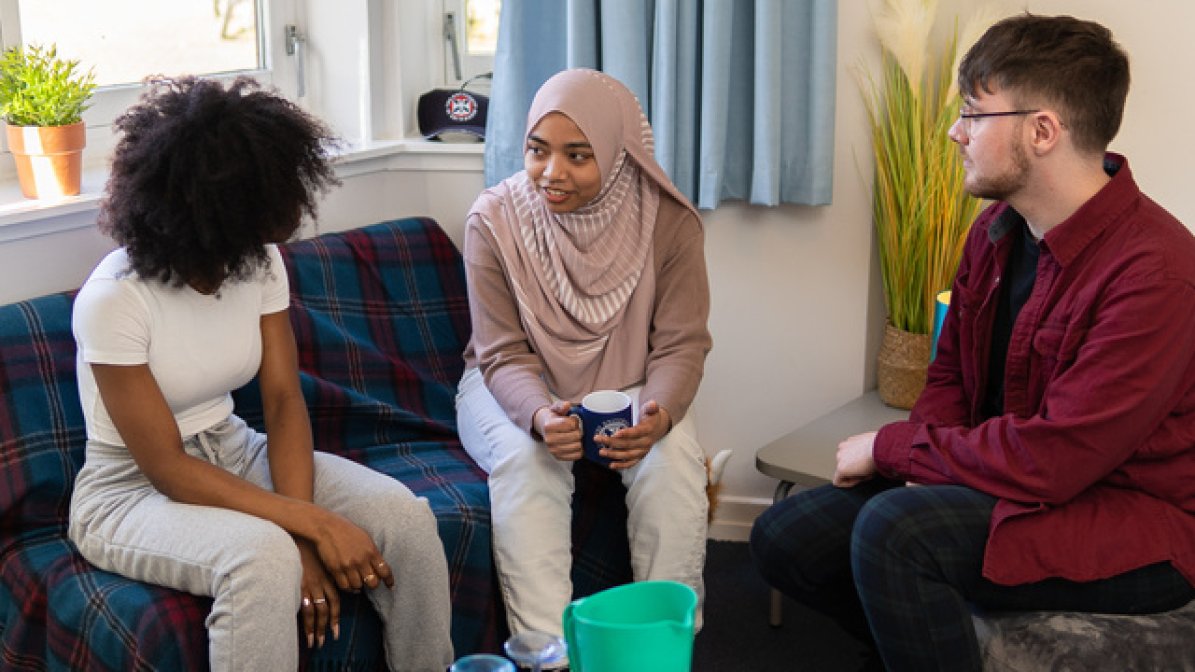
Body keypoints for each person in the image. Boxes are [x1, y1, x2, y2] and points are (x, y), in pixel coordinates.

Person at [751, 13, 1195, 671]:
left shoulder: (1157, 272)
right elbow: (950, 377)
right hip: (1005, 481)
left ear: (1041, 131)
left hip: (1129, 522)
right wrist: (914, 469)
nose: (954, 132)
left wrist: (892, 448)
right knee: (784, 536)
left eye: (972, 113)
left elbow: (1056, 459)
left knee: (893, 535)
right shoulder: (992, 232)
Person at [68, 77, 454, 672]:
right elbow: (167, 467)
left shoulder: (256, 260)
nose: (288, 217)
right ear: (213, 210)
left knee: (407, 518)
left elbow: (280, 400)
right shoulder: (113, 301)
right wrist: (312, 526)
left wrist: (305, 536)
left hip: (236, 449)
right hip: (129, 490)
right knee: (262, 558)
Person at [455, 68, 713, 645]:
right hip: (513, 383)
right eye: (537, 151)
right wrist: (541, 417)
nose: (553, 173)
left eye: (578, 155)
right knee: (528, 462)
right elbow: (500, 353)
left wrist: (659, 415)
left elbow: (681, 344)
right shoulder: (493, 222)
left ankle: (662, 643)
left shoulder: (668, 222)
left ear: (618, 153)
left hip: (634, 381)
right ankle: (546, 654)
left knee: (672, 465)